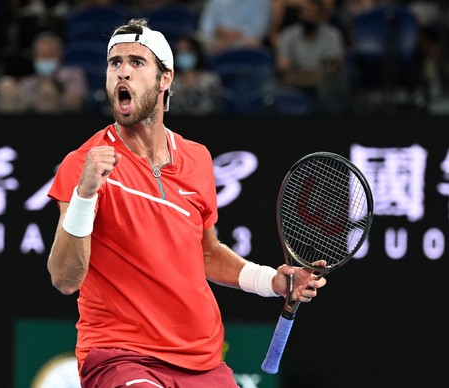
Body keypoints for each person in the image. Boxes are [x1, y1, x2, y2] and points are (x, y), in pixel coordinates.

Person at [46, 18, 327, 387]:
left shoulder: (196, 159)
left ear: (165, 79)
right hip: (122, 356)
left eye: (136, 62)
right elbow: (64, 279)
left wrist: (271, 281)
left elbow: (207, 253)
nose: (122, 74)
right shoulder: (84, 164)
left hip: (201, 360)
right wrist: (85, 196)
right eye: (115, 63)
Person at [275, 0, 347, 112]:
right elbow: (283, 68)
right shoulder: (288, 35)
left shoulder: (333, 35)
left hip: (324, 86)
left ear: (321, 16)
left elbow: (334, 68)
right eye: (306, 13)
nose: (308, 17)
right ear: (299, 14)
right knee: (276, 88)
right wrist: (314, 76)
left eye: (312, 13)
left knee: (332, 86)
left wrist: (301, 77)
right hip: (295, 85)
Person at [0, 31, 88, 114]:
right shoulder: (29, 82)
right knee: (7, 84)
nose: (46, 58)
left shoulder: (73, 75)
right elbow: (20, 102)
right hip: (33, 124)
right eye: (42, 55)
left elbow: (75, 102)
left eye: (50, 54)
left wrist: (53, 92)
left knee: (48, 89)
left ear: (60, 55)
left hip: (67, 123)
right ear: (34, 57)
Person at [168, 35, 224, 115]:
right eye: (179, 51)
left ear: (197, 52)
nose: (183, 54)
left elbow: (215, 107)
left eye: (187, 50)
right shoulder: (171, 82)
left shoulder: (210, 79)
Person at [198, 0, 275, 53]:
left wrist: (234, 34)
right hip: (216, 38)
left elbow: (259, 31)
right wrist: (218, 31)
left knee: (253, 43)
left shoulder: (262, 2)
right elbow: (205, 25)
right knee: (196, 41)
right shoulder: (216, 1)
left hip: (242, 40)